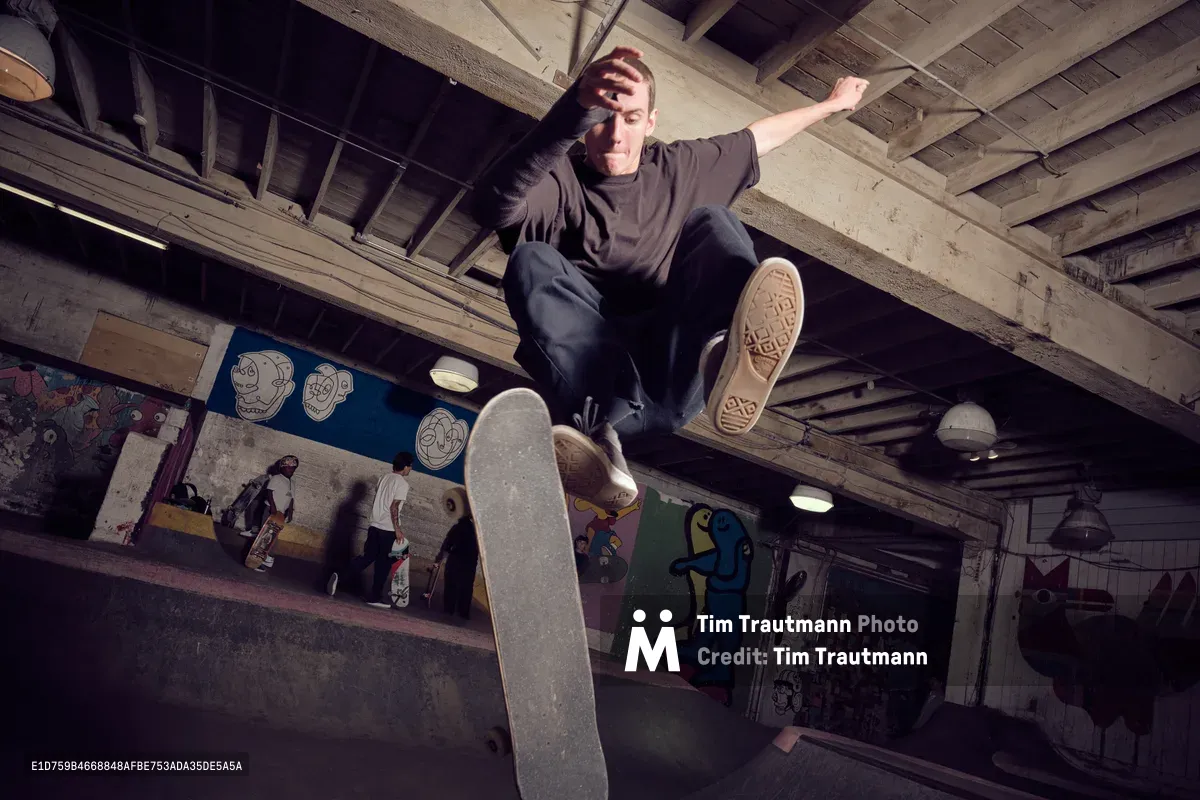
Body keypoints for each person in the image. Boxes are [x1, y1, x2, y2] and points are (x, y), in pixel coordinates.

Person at [474, 46, 868, 511]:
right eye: (601, 120)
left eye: (631, 119)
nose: (615, 136)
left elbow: (759, 137)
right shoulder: (560, 181)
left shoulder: (679, 167)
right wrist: (570, 114)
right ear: (584, 123)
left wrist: (830, 105)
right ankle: (603, 445)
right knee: (530, 259)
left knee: (713, 221)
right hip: (604, 389)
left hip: (676, 370)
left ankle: (727, 355)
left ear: (651, 122)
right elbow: (491, 206)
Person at [327, 451, 413, 608]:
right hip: (388, 528)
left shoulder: (384, 478)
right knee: (383, 564)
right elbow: (394, 507)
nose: (410, 469)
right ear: (406, 466)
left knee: (367, 557)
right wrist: (397, 529)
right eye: (410, 466)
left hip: (374, 526)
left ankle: (339, 575)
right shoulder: (402, 484)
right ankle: (374, 597)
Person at [239, 455, 299, 572]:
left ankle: (266, 557)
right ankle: (259, 559)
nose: (291, 470)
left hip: (281, 514)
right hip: (271, 510)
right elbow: (269, 493)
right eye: (288, 467)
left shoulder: (293, 482)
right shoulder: (276, 478)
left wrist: (290, 511)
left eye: (293, 468)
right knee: (265, 536)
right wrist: (273, 507)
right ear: (282, 467)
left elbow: (291, 498)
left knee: (272, 537)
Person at [434, 511, 479, 620]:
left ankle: (449, 609)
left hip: (456, 558)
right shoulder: (477, 531)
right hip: (470, 560)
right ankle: (463, 612)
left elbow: (448, 543)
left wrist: (440, 558)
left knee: (451, 584)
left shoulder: (458, 527)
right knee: (466, 586)